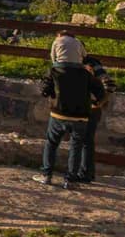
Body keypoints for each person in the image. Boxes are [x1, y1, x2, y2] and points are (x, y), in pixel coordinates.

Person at [39, 33, 105, 189]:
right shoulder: (86, 74)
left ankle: (46, 175)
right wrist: (94, 103)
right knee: (76, 147)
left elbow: (44, 90)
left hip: (58, 113)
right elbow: (100, 93)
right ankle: (70, 180)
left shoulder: (54, 71)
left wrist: (52, 92)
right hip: (80, 116)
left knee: (51, 143)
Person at [81, 55, 113, 183]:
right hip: (84, 107)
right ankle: (86, 173)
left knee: (85, 140)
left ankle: (85, 174)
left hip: (90, 108)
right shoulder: (73, 62)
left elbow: (109, 84)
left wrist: (99, 103)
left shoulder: (90, 63)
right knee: (84, 140)